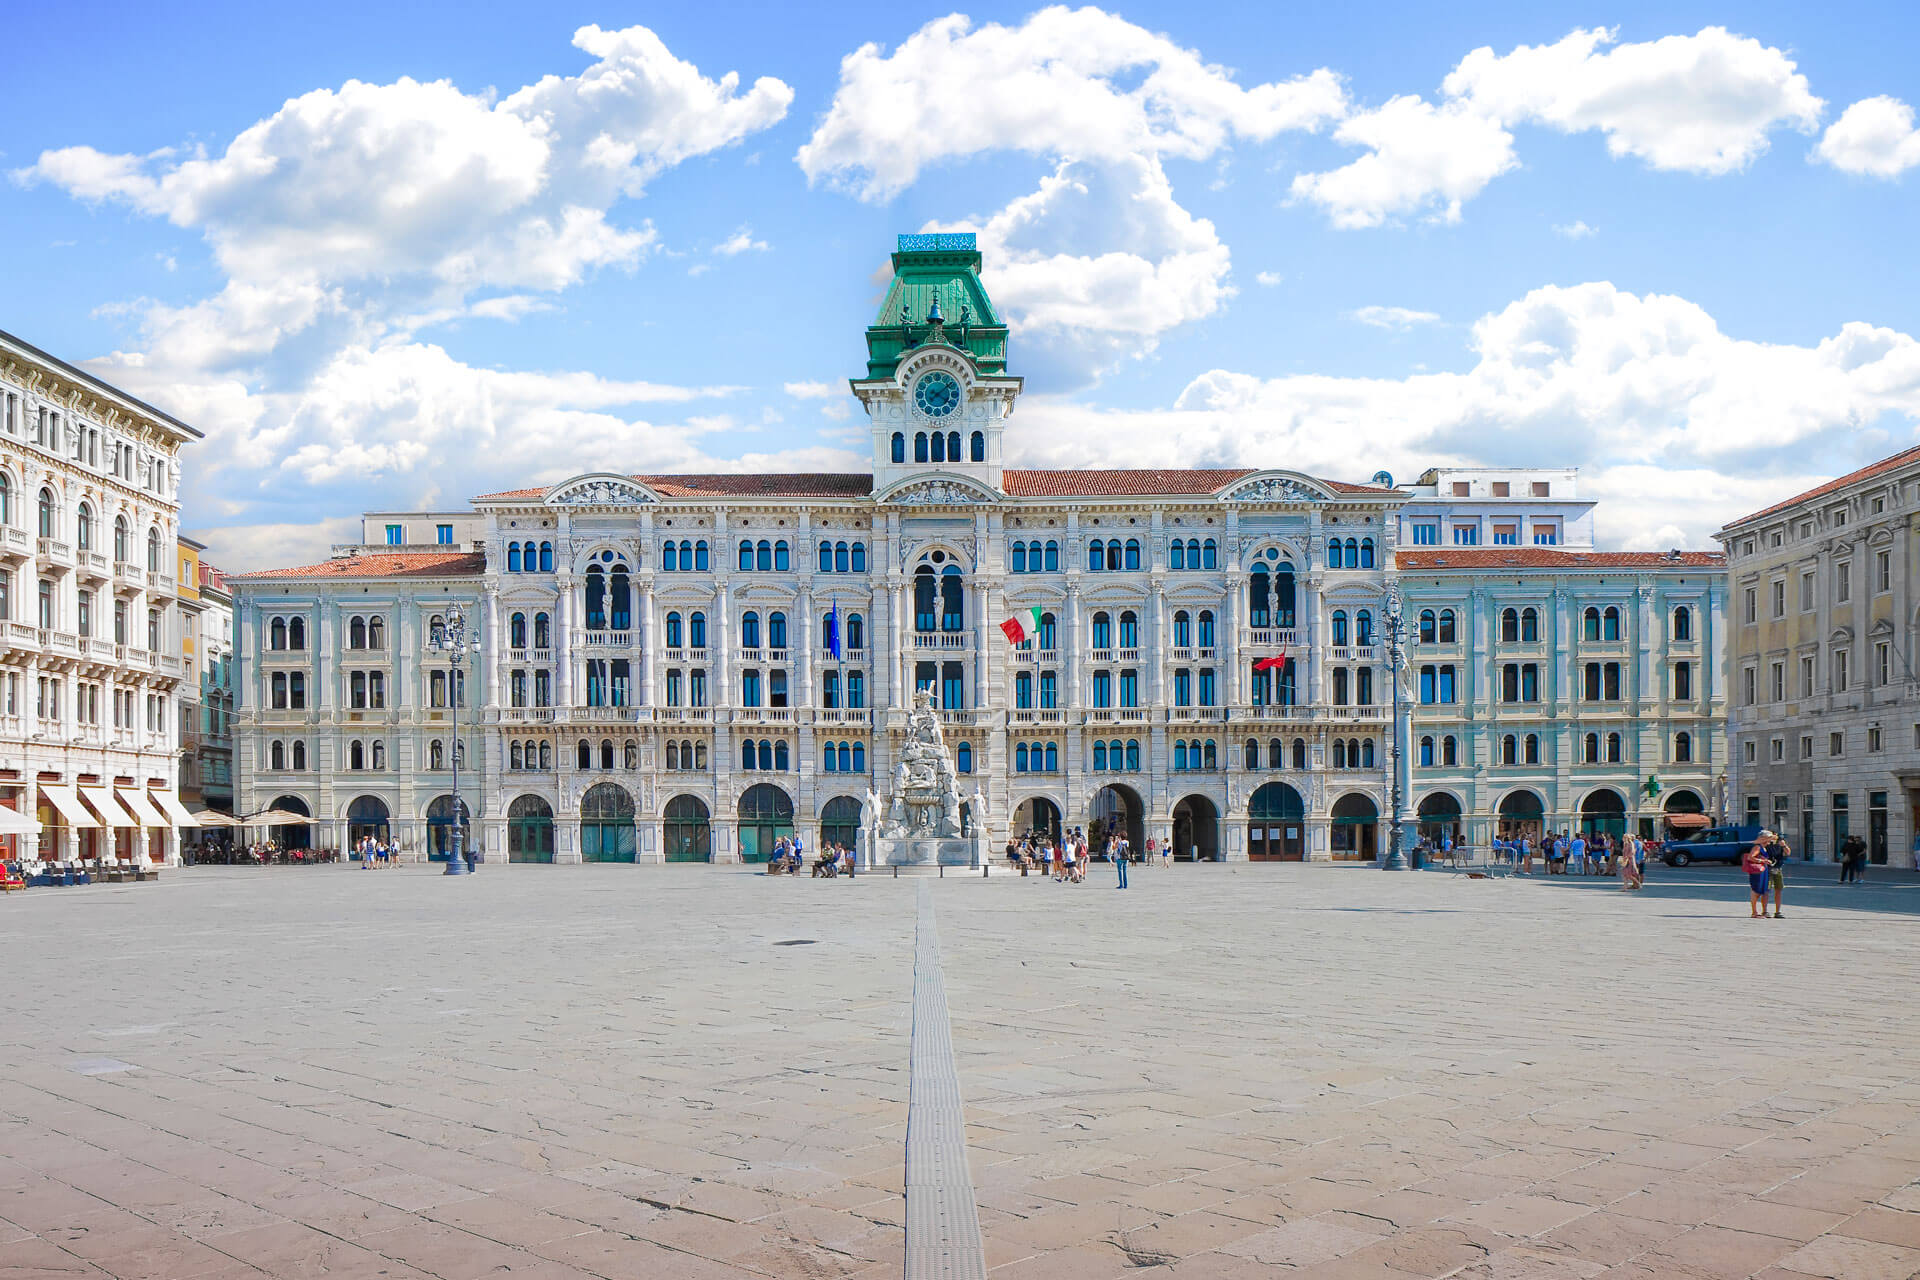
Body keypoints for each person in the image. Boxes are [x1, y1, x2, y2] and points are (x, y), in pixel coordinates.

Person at [1743, 833, 1774, 918]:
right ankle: (1754, 912)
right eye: (1769, 838)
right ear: (1764, 839)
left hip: (1763, 871)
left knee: (1763, 890)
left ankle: (1761, 912)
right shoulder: (1757, 847)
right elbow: (1750, 857)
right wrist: (1762, 861)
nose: (1770, 841)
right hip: (1757, 871)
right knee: (1756, 890)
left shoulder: (1764, 848)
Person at [1765, 833, 1790, 918]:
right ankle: (1765, 911)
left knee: (1778, 889)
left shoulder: (1780, 845)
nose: (1775, 839)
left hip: (1778, 869)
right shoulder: (1767, 844)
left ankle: (1777, 912)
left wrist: (1784, 845)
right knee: (1766, 890)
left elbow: (1788, 853)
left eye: (1777, 837)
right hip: (1767, 869)